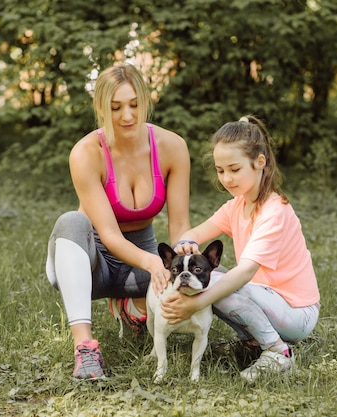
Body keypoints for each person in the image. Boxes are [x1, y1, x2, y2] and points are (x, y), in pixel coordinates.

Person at [45, 63, 192, 380]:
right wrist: (154, 265)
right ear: (101, 108)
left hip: (140, 261)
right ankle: (85, 350)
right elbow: (109, 236)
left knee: (214, 274)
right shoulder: (86, 153)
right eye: (116, 108)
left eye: (135, 105)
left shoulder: (173, 147)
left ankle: (262, 340)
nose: (127, 116)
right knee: (72, 220)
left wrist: (183, 258)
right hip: (90, 266)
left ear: (146, 101)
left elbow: (180, 226)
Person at [162, 115, 320, 382]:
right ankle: (252, 341)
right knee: (205, 275)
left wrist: (196, 303)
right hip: (267, 300)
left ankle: (277, 351)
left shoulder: (274, 211)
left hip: (297, 314)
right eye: (220, 170)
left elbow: (245, 272)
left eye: (235, 169)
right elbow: (196, 233)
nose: (226, 178)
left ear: (260, 163)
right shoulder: (237, 205)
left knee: (216, 283)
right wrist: (185, 244)